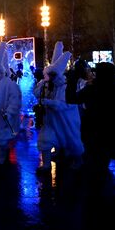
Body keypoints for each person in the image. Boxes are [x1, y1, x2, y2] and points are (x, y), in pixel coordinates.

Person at [33, 42, 84, 173]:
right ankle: (46, 165)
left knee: (71, 140)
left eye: (52, 75)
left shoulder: (66, 86)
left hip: (66, 120)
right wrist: (42, 84)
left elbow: (66, 104)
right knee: (45, 140)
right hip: (50, 120)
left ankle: (78, 160)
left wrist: (49, 103)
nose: (50, 77)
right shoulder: (47, 84)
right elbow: (36, 94)